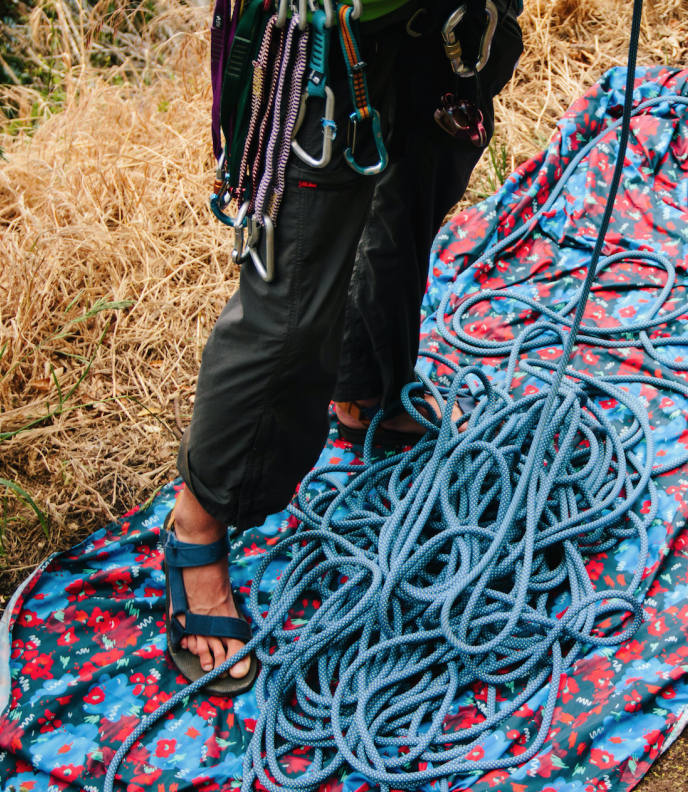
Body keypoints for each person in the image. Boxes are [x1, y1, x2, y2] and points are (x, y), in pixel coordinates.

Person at [163, 0, 524, 690]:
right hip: (328, 30)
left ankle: (367, 393)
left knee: (413, 198)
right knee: (292, 292)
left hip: (449, 19)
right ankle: (200, 520)